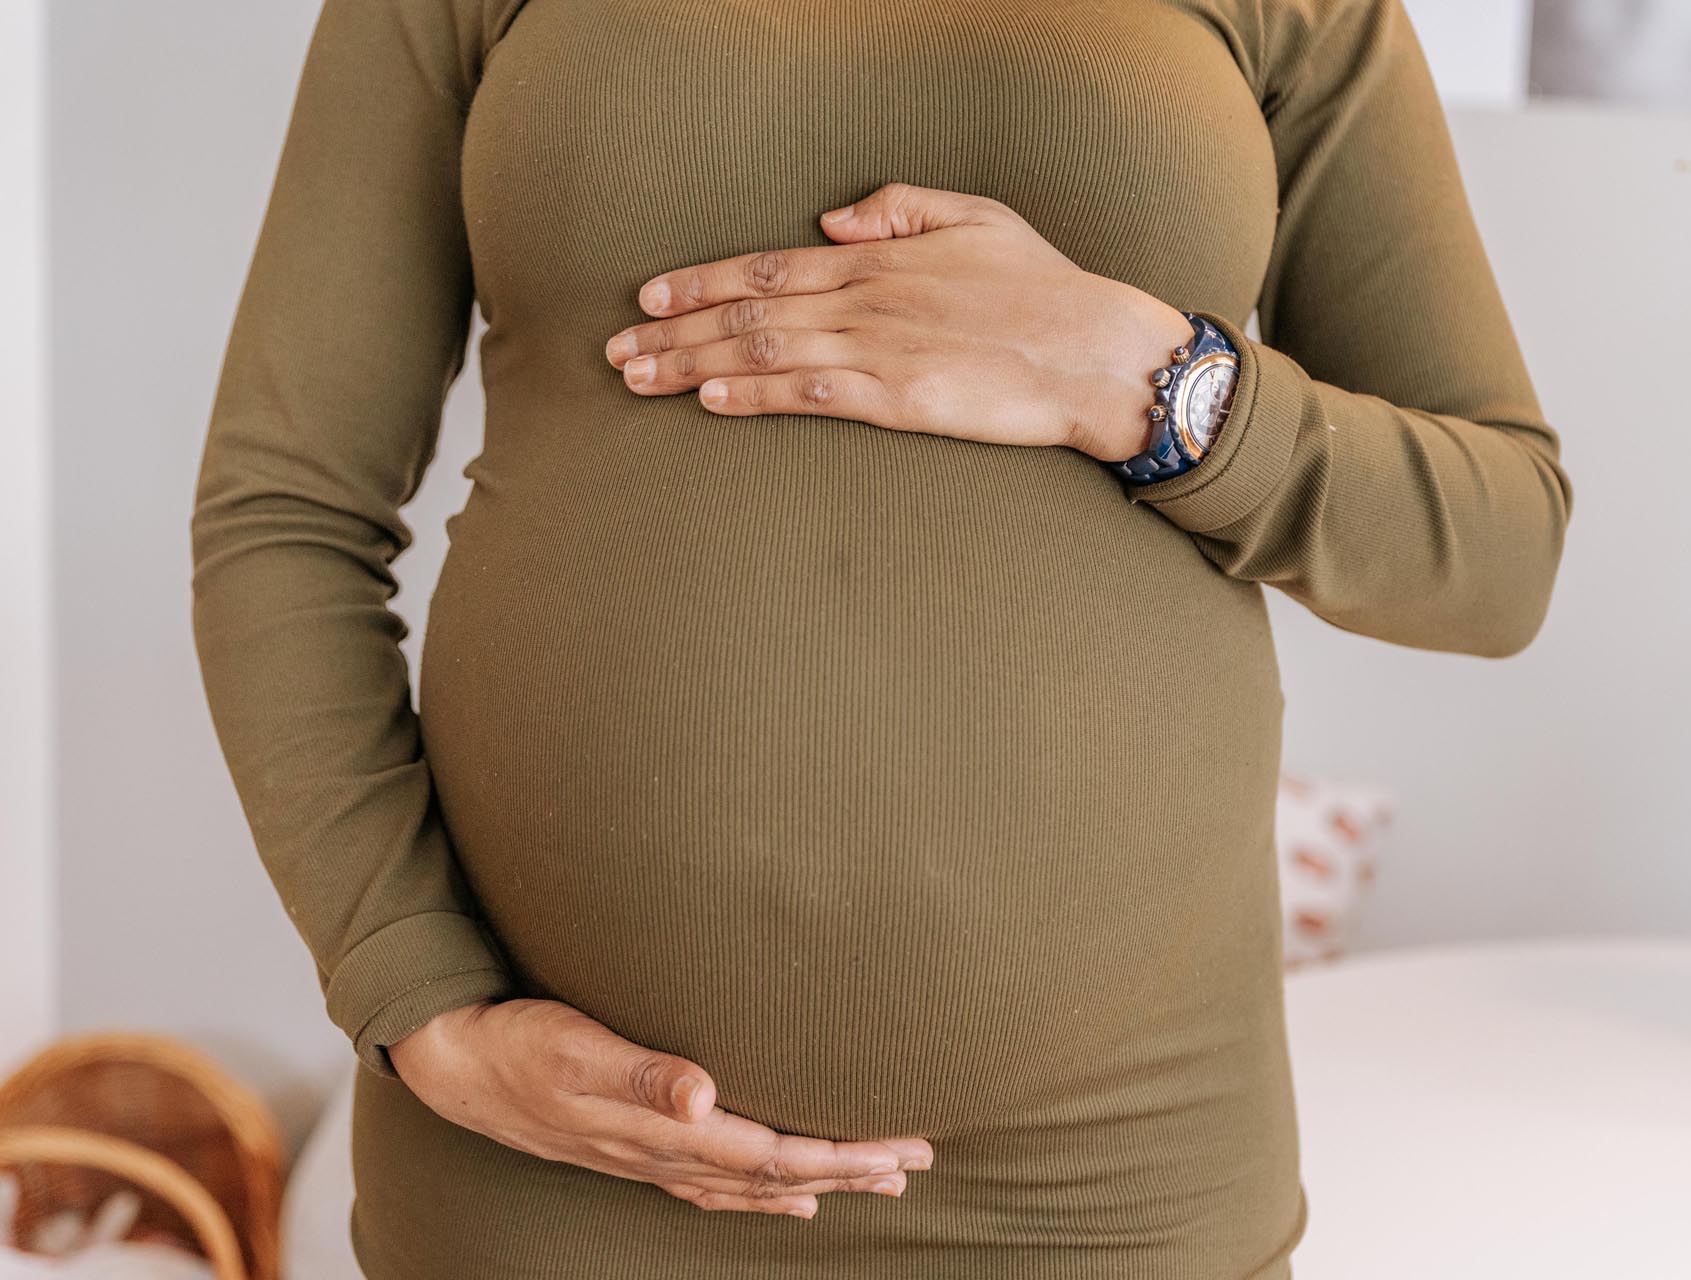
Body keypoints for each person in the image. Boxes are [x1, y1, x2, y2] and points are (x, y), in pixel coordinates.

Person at [188, 0, 1572, 1275]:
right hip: (551, 1166)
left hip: (1117, 1180)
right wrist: (423, 1003)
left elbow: (1498, 551)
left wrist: (1145, 379)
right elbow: (286, 512)